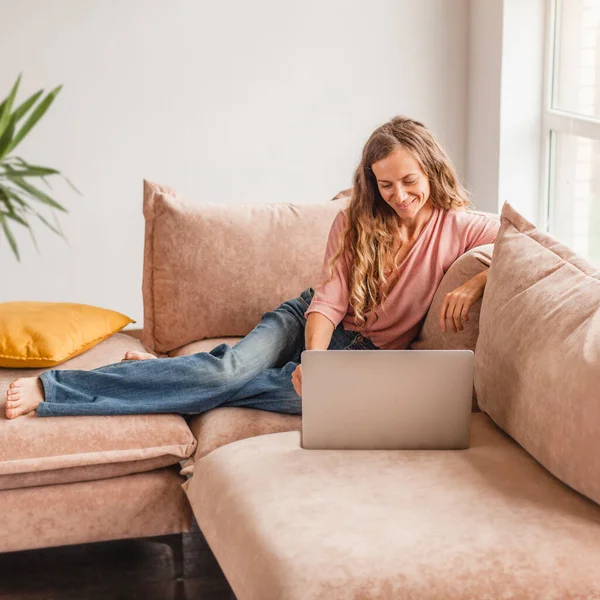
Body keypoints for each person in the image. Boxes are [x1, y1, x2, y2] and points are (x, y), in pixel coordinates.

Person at [4, 116, 499, 420]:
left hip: (367, 351)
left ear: (432, 169)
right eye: (386, 185)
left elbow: (522, 238)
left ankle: (171, 376)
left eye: (409, 181)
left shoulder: (460, 226)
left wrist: (476, 281)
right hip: (306, 321)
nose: (400, 196)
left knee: (288, 399)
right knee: (226, 373)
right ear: (372, 183)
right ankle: (54, 387)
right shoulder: (356, 221)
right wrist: (315, 360)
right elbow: (329, 300)